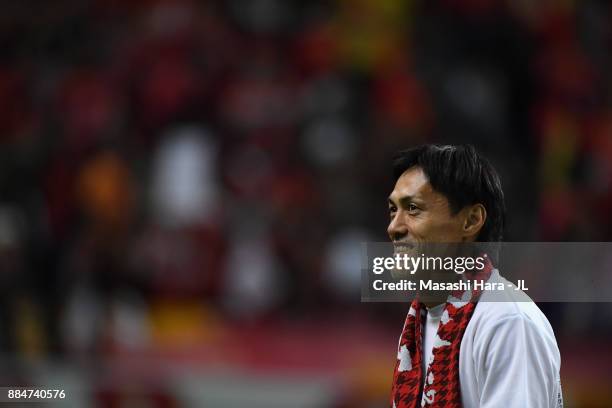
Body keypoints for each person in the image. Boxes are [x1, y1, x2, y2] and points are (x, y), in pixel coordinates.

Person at [387, 144, 562, 408]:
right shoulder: (418, 323)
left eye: (413, 209)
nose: (394, 227)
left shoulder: (508, 323)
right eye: (393, 210)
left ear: (470, 221)